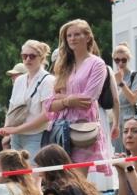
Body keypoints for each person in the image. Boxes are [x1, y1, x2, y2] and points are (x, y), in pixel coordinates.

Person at [43, 20, 112, 178]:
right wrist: (69, 101)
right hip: (60, 129)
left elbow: (88, 99)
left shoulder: (97, 64)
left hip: (82, 128)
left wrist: (63, 100)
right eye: (69, 35)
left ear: (88, 37)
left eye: (77, 34)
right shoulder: (63, 65)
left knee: (78, 181)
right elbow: (49, 104)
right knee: (60, 180)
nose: (72, 38)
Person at [0, 41, 54, 161]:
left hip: (36, 136)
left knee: (32, 177)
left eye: (32, 56)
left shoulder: (48, 80)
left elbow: (46, 115)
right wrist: (6, 129)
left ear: (42, 58)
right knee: (16, 176)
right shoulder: (19, 80)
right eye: (24, 56)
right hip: (16, 137)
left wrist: (14, 130)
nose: (27, 59)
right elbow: (11, 108)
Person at [111, 42, 137, 152]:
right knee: (118, 156)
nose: (120, 63)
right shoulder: (112, 77)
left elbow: (134, 100)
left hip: (130, 120)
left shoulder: (136, 76)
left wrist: (121, 83)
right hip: (116, 121)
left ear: (128, 59)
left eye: (123, 60)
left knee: (133, 154)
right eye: (117, 60)